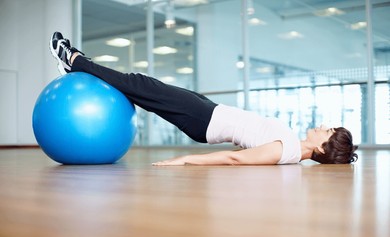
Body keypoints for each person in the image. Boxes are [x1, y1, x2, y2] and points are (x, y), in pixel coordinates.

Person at [49, 32, 358, 166]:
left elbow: (235, 159)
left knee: (139, 84)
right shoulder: (290, 150)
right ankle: (76, 62)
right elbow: (246, 147)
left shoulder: (288, 150)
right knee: (140, 88)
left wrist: (185, 160)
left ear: (321, 147)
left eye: (327, 131)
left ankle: (73, 60)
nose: (322, 126)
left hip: (205, 120)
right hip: (211, 112)